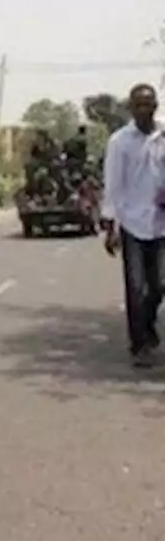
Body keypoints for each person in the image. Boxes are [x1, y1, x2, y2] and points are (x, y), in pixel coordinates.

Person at [101, 83, 165, 368]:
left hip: (161, 223)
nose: (144, 109)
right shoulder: (119, 142)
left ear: (156, 106)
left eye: (148, 104)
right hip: (132, 224)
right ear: (130, 108)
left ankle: (148, 324)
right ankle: (138, 344)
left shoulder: (163, 136)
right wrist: (110, 226)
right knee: (136, 287)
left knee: (160, 285)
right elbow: (113, 185)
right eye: (138, 105)